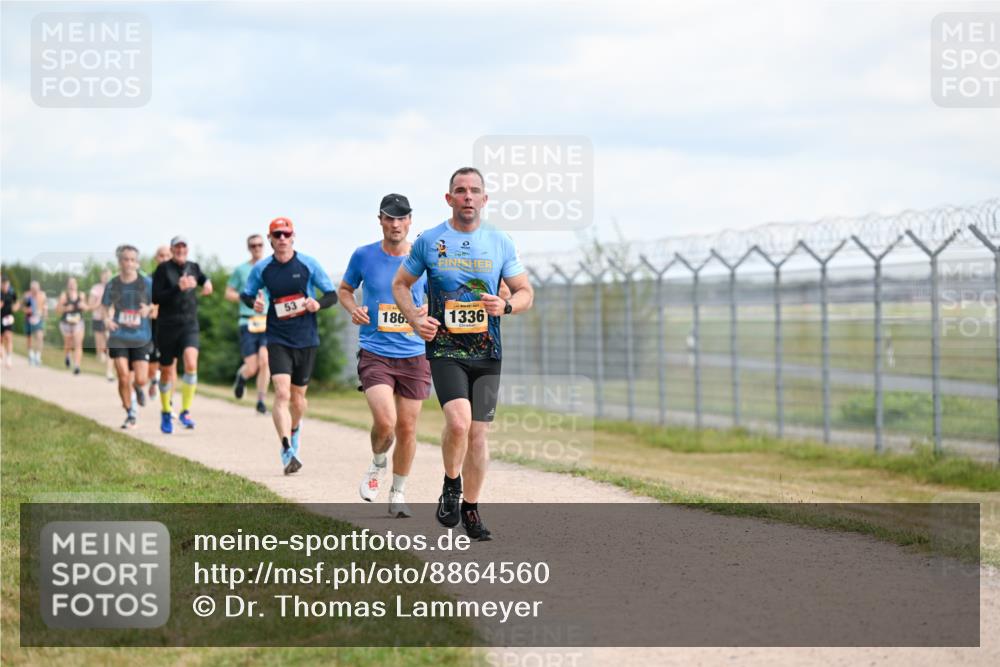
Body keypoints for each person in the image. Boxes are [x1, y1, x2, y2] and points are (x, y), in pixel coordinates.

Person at [392, 167, 533, 541]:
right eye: (460, 190)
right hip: (445, 347)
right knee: (458, 423)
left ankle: (471, 508)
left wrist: (506, 306)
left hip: (487, 351)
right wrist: (414, 319)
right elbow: (401, 284)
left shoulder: (500, 241)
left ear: (484, 199)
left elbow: (525, 292)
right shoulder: (429, 241)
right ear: (449, 198)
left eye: (474, 190)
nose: (467, 196)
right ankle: (451, 484)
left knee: (479, 435)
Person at [339, 194, 430, 518]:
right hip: (375, 351)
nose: (395, 224)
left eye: (401, 218)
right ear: (380, 220)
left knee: (407, 428)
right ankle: (378, 463)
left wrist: (428, 309)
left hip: (414, 354)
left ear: (410, 221)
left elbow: (439, 297)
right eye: (389, 218)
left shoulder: (423, 259)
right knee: (385, 422)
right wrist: (354, 308)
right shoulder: (363, 255)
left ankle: (398, 492)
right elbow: (345, 290)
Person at [241, 217, 337, 474]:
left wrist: (317, 304)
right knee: (282, 394)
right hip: (277, 337)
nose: (282, 239)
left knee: (298, 399)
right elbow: (246, 294)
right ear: (270, 239)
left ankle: (294, 432)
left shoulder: (308, 264)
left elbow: (331, 295)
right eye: (277, 235)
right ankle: (286, 450)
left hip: (306, 338)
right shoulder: (263, 268)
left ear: (293, 237)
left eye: (286, 234)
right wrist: (255, 304)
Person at [152, 236, 213, 434]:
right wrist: (178, 287)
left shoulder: (193, 267)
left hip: (189, 324)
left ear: (187, 249)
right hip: (167, 326)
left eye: (183, 247)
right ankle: (166, 410)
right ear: (172, 250)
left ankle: (185, 411)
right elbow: (155, 297)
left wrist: (207, 283)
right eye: (177, 247)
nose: (180, 250)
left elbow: (202, 278)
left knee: (191, 363)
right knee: (167, 372)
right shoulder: (163, 270)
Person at [103, 245, 154, 429]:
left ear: (137, 262)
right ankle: (130, 412)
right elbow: (105, 307)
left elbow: (158, 304)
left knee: (141, 379)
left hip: (141, 336)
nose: (129, 263)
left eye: (133, 260)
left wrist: (149, 309)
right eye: (126, 259)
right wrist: (107, 319)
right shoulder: (113, 284)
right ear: (119, 262)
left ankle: (139, 388)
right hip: (119, 335)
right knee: (123, 377)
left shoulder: (146, 283)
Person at [226, 233, 270, 415]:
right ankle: (242, 376)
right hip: (247, 320)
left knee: (265, 360)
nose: (257, 248)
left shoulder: (271, 267)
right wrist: (245, 298)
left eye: (259, 245)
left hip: (268, 320)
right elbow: (228, 293)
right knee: (252, 367)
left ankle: (261, 401)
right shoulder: (241, 270)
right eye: (253, 245)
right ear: (248, 248)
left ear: (264, 246)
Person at [147, 245, 172, 401]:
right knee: (153, 364)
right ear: (156, 258)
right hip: (153, 326)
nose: (164, 259)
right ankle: (154, 380)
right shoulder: (149, 279)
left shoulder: (177, 278)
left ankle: (169, 401)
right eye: (161, 255)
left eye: (167, 255)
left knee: (171, 365)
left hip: (172, 325)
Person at [56, 277, 88, 375]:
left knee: (78, 344)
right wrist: (66, 308)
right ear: (67, 285)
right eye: (70, 283)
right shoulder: (64, 296)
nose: (72, 285)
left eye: (74, 283)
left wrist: (83, 306)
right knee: (68, 344)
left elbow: (86, 308)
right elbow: (58, 310)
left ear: (77, 285)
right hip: (66, 323)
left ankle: (77, 366)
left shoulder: (81, 295)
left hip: (78, 322)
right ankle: (67, 355)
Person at [89, 268, 114, 381]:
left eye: (109, 276)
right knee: (101, 348)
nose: (107, 278)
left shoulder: (114, 287)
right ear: (101, 277)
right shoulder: (96, 288)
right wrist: (101, 302)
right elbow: (90, 306)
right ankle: (101, 354)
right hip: (98, 319)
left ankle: (109, 372)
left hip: (110, 320)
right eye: (105, 275)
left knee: (111, 346)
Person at [23, 281, 48, 366]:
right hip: (29, 318)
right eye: (33, 289)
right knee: (29, 337)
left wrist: (45, 314)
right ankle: (31, 354)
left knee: (40, 336)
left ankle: (38, 356)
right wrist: (27, 310)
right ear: (31, 289)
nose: (35, 291)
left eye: (37, 289)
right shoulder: (27, 296)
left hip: (39, 318)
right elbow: (23, 307)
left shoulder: (42, 296)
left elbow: (45, 307)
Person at [1, 275, 19, 368]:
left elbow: (17, 302)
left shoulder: (12, 293)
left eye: (6, 284)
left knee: (8, 336)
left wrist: (15, 307)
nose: (5, 286)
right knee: (1, 338)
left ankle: (9, 358)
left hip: (8, 317)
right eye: (3, 284)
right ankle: (1, 350)